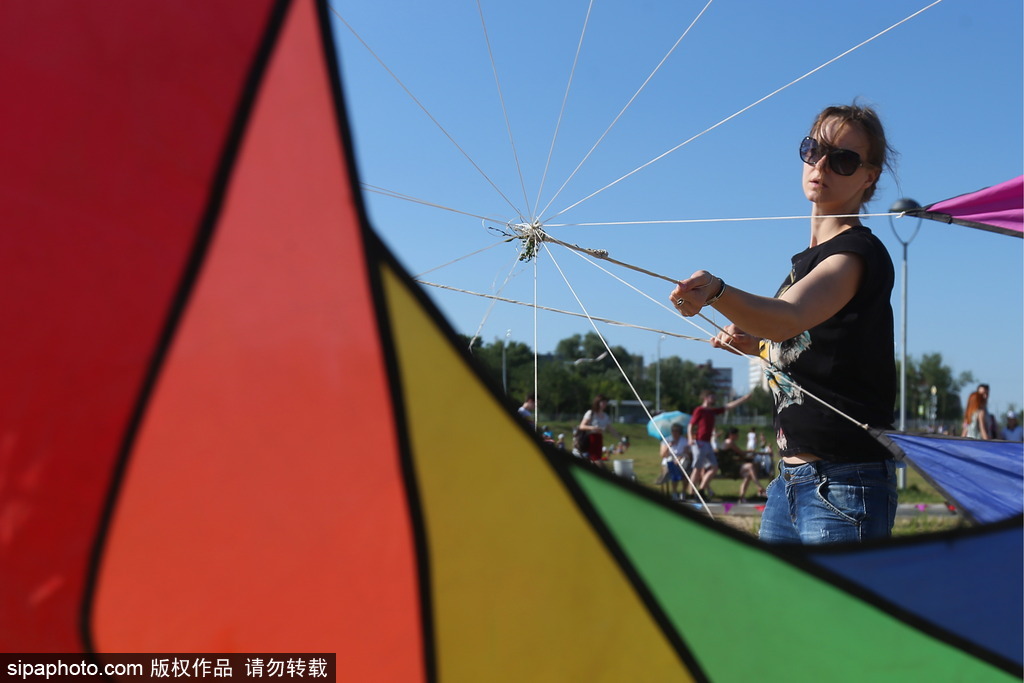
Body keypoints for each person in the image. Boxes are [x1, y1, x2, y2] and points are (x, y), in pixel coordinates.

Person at [670, 103, 899, 544]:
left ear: (869, 177)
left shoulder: (856, 255)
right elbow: (807, 345)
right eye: (814, 150)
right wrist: (755, 344)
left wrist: (718, 292)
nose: (823, 165)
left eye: (845, 159)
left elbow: (788, 318)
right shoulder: (803, 265)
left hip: (845, 482)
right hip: (789, 482)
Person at [686, 390, 751, 500]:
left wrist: (743, 399)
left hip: (708, 443)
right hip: (699, 442)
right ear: (706, 398)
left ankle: (701, 490)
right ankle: (690, 494)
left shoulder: (712, 411)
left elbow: (728, 407)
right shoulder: (699, 410)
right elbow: (691, 425)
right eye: (712, 396)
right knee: (697, 468)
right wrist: (689, 438)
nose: (714, 399)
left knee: (715, 467)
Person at [578, 394, 620, 464]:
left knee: (597, 459)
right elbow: (581, 426)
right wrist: (593, 428)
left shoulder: (605, 416)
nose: (605, 404)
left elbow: (611, 429)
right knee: (595, 460)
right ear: (598, 402)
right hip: (590, 439)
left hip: (599, 439)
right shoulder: (591, 413)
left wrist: (620, 439)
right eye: (603, 402)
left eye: (606, 402)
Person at [658, 423, 689, 500]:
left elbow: (686, 452)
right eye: (673, 431)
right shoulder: (666, 440)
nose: (674, 433)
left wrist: (679, 457)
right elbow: (662, 455)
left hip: (682, 462)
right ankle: (674, 492)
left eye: (676, 431)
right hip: (669, 461)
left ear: (680, 432)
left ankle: (683, 492)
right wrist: (668, 446)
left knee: (687, 474)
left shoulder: (684, 440)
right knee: (673, 470)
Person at [739, 435, 771, 503]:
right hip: (735, 468)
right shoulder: (730, 443)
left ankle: (741, 497)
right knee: (751, 466)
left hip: (739, 466)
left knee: (748, 475)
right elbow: (741, 453)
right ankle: (760, 488)